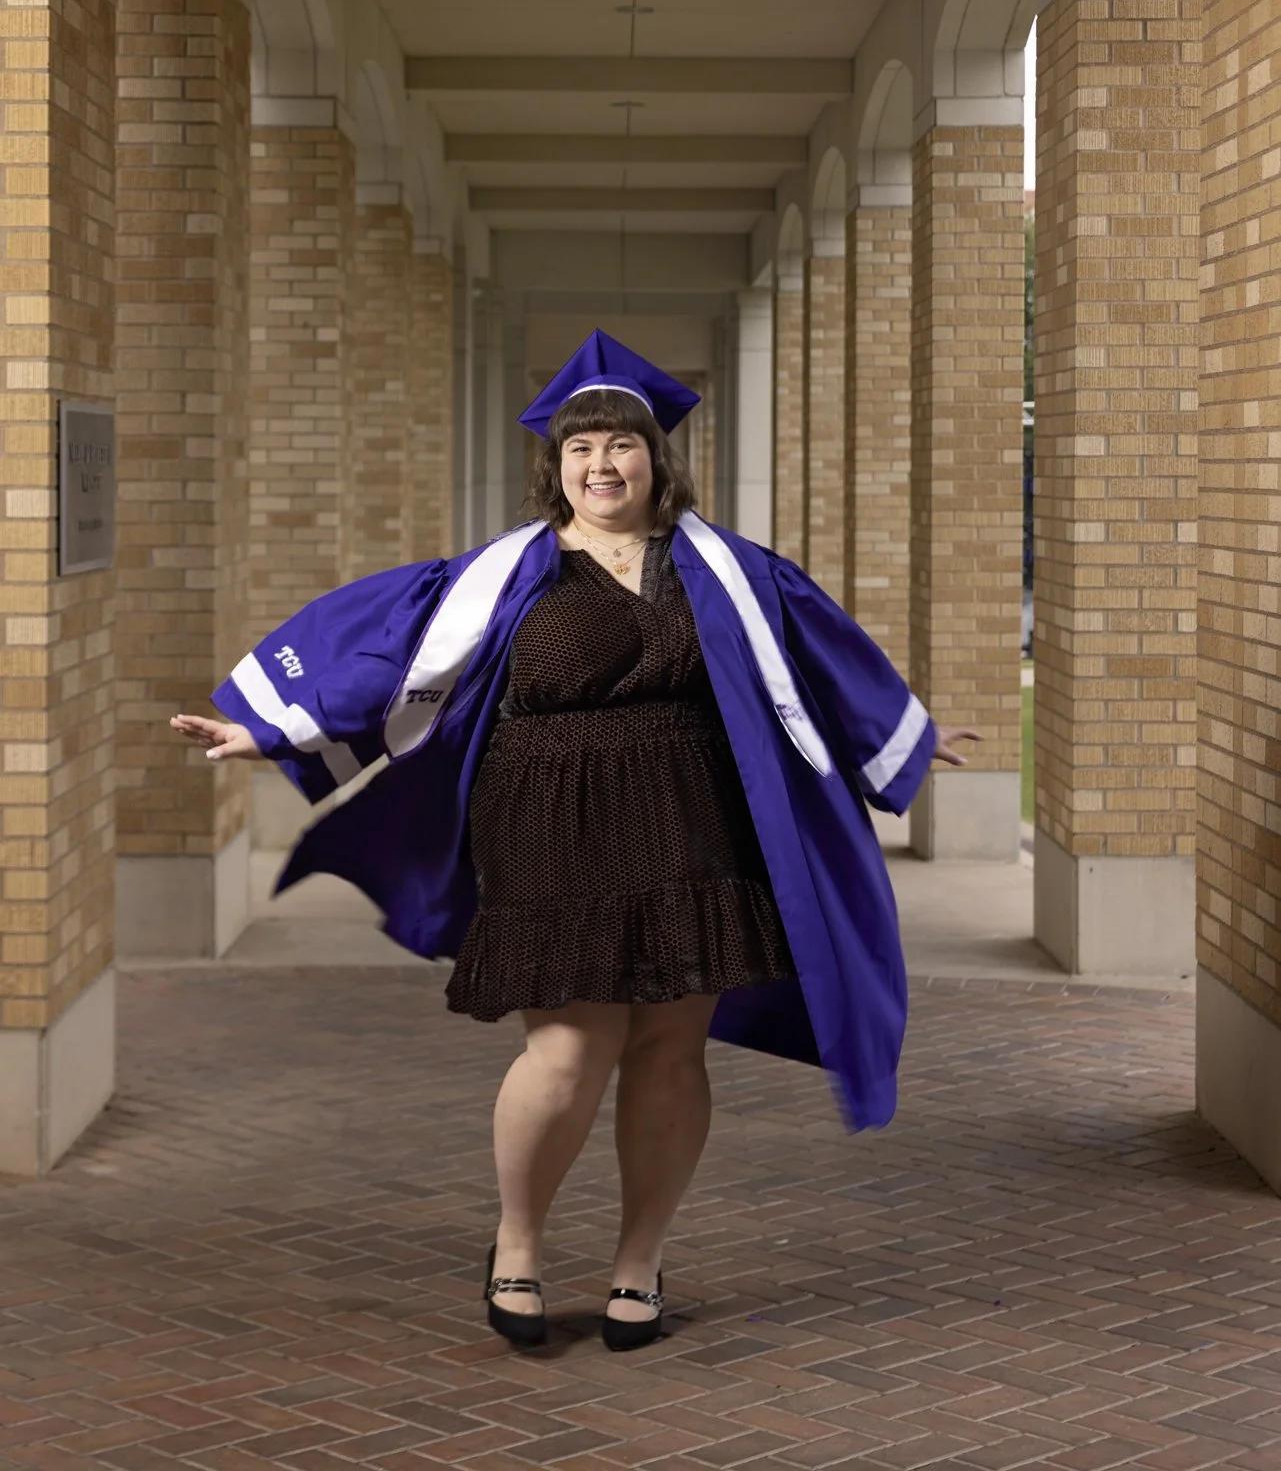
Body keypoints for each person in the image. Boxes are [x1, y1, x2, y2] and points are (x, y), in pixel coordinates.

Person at [171, 330, 978, 1352]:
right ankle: (518, 1245)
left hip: (694, 822)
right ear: (554, 468)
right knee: (568, 1046)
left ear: (657, 460)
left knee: (672, 1050)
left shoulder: (727, 571)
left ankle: (639, 1263)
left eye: (622, 446)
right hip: (555, 825)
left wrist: (904, 735)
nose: (603, 465)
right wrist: (266, 728)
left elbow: (818, 660)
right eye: (582, 447)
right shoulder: (503, 577)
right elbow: (385, 657)